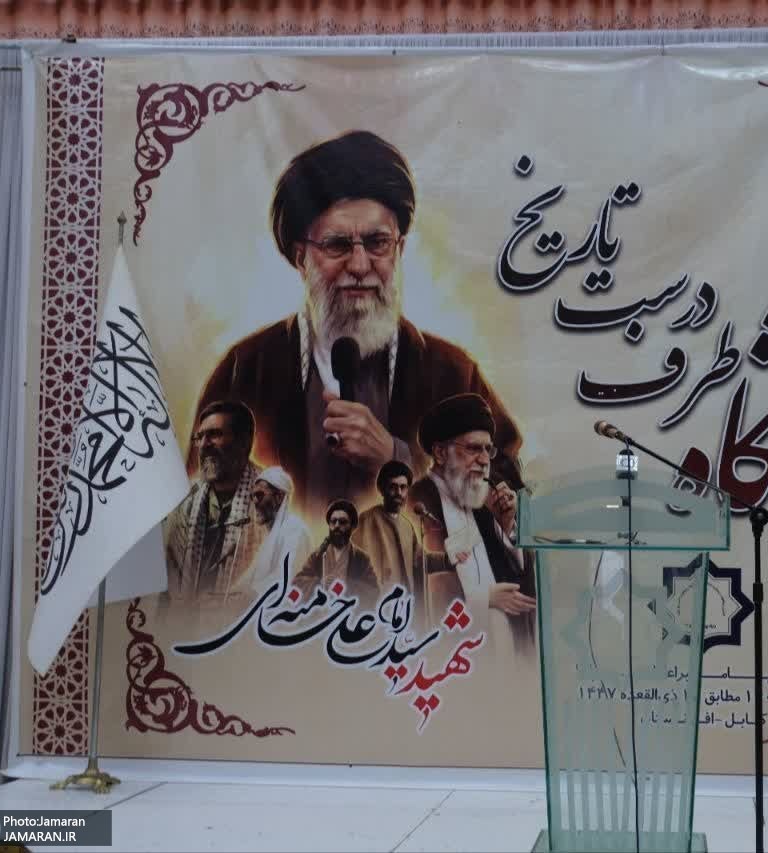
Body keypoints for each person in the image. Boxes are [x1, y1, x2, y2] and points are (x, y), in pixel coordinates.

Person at [190, 129, 523, 522]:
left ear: (399, 249)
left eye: (377, 242)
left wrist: (396, 459)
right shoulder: (245, 372)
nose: (361, 266)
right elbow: (197, 505)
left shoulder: (453, 375)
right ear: (301, 258)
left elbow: (508, 497)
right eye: (337, 245)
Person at [408, 393, 536, 657]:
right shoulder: (418, 503)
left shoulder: (476, 499)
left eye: (488, 449)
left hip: (503, 654)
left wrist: (507, 524)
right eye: (473, 448)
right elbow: (416, 584)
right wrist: (485, 598)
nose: (485, 459)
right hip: (453, 658)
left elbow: (519, 573)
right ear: (440, 453)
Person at [163, 400, 262, 608]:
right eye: (200, 437)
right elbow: (169, 582)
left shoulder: (269, 501)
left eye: (215, 434)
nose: (204, 445)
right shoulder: (185, 501)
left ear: (244, 443)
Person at [353, 460, 426, 617]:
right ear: (382, 489)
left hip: (404, 609)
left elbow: (421, 560)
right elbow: (351, 565)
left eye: (403, 487)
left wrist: (448, 559)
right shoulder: (366, 521)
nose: (398, 492)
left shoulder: (407, 526)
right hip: (376, 608)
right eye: (393, 487)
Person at [242, 466, 312, 596]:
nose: (254, 502)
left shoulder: (296, 530)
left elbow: (286, 577)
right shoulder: (270, 536)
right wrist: (227, 594)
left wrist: (247, 595)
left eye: (259, 495)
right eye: (253, 496)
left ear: (279, 497)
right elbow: (251, 575)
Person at [293, 499, 378, 604]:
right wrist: (319, 583)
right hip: (320, 610)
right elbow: (298, 583)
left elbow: (373, 591)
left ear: (352, 526)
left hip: (348, 611)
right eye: (333, 521)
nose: (337, 526)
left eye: (342, 522)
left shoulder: (361, 559)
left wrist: (344, 585)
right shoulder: (317, 555)